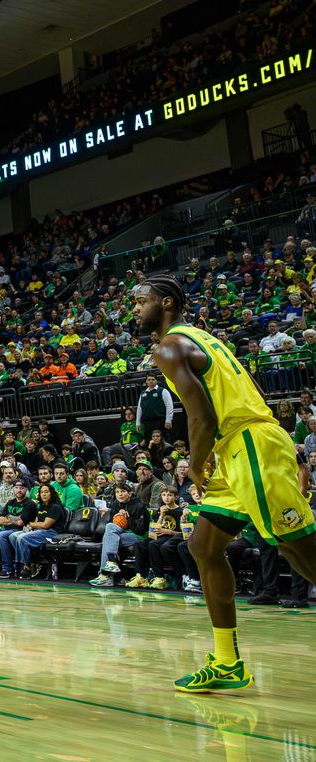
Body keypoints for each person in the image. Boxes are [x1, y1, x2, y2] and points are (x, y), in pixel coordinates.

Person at [135, 275, 316, 692]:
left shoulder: (169, 346)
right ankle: (226, 662)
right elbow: (247, 388)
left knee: (295, 543)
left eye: (141, 302)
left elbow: (202, 417)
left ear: (165, 303)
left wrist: (197, 465)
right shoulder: (202, 337)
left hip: (246, 442)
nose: (134, 310)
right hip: (241, 445)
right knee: (203, 545)